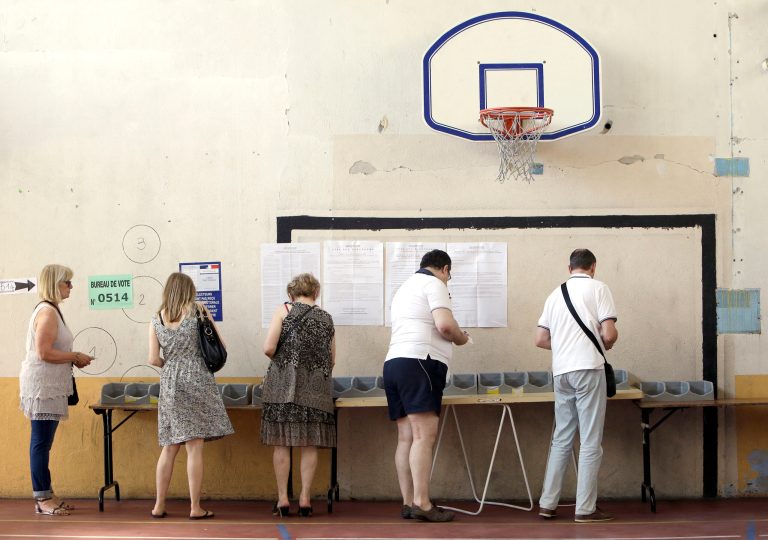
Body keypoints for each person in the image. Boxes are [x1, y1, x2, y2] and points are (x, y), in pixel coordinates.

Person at [383, 249, 470, 523]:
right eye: (449, 276)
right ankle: (422, 502)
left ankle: (409, 501)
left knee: (406, 437)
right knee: (423, 436)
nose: (448, 280)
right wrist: (462, 338)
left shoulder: (404, 288)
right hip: (420, 361)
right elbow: (445, 326)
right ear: (444, 269)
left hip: (394, 363)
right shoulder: (434, 283)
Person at [534, 249, 618, 523]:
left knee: (562, 438)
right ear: (593, 266)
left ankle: (548, 503)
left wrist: (566, 347)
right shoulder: (599, 288)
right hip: (588, 369)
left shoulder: (554, 294)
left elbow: (540, 339)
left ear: (569, 267)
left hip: (562, 373)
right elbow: (608, 332)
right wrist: (607, 341)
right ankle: (585, 508)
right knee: (591, 440)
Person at [148, 272, 234, 520]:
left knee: (169, 447)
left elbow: (153, 358)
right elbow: (221, 345)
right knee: (194, 448)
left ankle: (159, 505)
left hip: (170, 381)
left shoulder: (155, 319)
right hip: (197, 378)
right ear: (189, 290)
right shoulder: (198, 310)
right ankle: (195, 507)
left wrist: (172, 363)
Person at [19, 264, 93, 516]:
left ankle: (46, 493)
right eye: (67, 283)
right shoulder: (48, 312)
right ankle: (42, 498)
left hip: (49, 386)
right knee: (40, 442)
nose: (71, 287)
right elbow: (44, 352)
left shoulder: (52, 310)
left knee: (44, 441)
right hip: (43, 387)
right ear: (55, 284)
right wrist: (74, 356)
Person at [262, 273, 336, 518]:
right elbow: (332, 359)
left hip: (283, 386)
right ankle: (305, 499)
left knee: (282, 442)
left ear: (291, 294)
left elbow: (269, 348)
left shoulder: (284, 311)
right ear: (316, 293)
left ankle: (283, 499)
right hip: (316, 389)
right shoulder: (327, 318)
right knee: (309, 443)